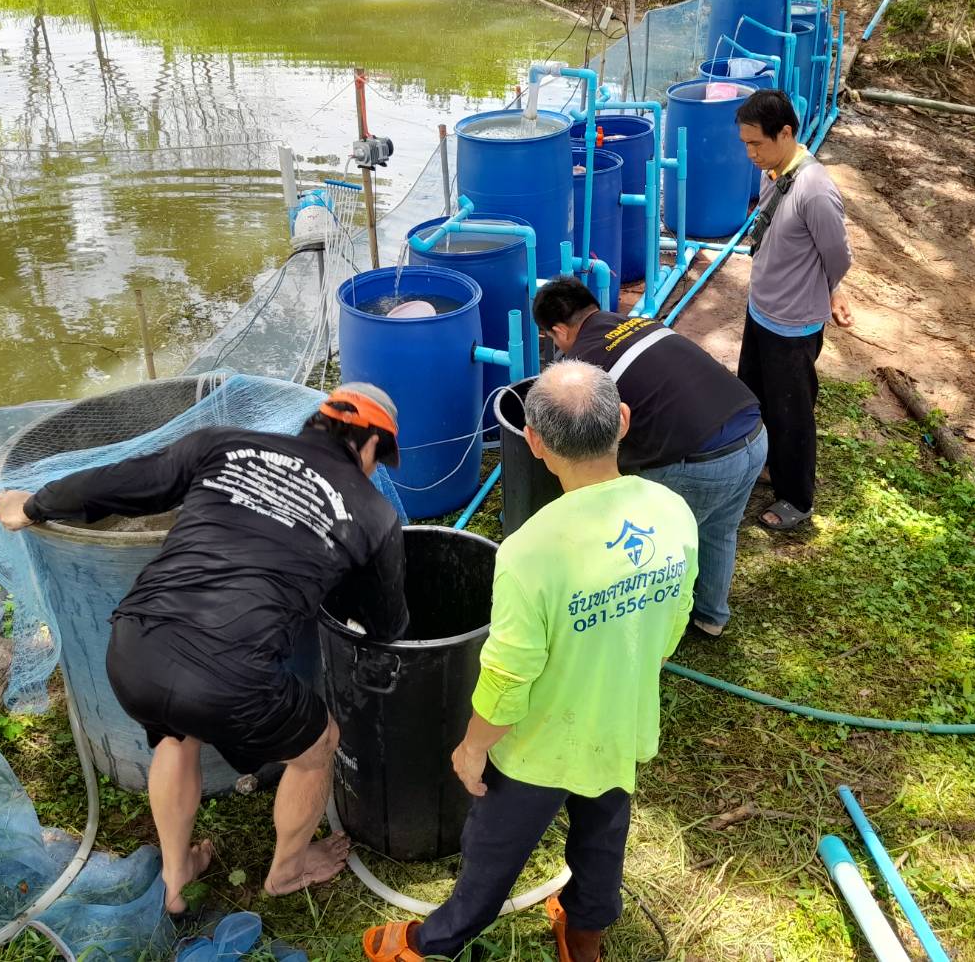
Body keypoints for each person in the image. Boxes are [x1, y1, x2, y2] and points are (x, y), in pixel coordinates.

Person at [0, 385, 409, 911]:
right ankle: (287, 870)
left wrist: (31, 505)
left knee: (174, 735)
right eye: (380, 459)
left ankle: (174, 876)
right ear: (370, 446)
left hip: (136, 649)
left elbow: (120, 485)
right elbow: (386, 623)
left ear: (316, 422)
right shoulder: (373, 513)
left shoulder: (225, 444)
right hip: (235, 681)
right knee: (318, 745)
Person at [362, 362, 697, 962]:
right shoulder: (671, 510)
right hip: (620, 726)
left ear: (536, 444)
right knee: (602, 837)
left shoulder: (530, 551)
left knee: (493, 853)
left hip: (537, 749)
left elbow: (508, 677)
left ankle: (433, 943)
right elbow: (671, 626)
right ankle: (584, 934)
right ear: (621, 422)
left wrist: (472, 748)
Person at [532, 276, 765, 637]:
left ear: (559, 330)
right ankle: (710, 618)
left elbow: (589, 441)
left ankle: (636, 628)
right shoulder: (641, 323)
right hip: (753, 432)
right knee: (720, 528)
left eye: (550, 337)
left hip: (706, 462)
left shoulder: (585, 369)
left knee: (646, 542)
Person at [735, 88, 853, 531]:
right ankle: (767, 464)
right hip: (761, 310)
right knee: (753, 395)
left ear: (785, 133)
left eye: (756, 143)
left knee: (791, 411)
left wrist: (832, 291)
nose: (749, 152)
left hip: (792, 324)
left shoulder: (815, 191)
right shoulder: (773, 172)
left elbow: (837, 255)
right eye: (745, 143)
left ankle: (797, 498)